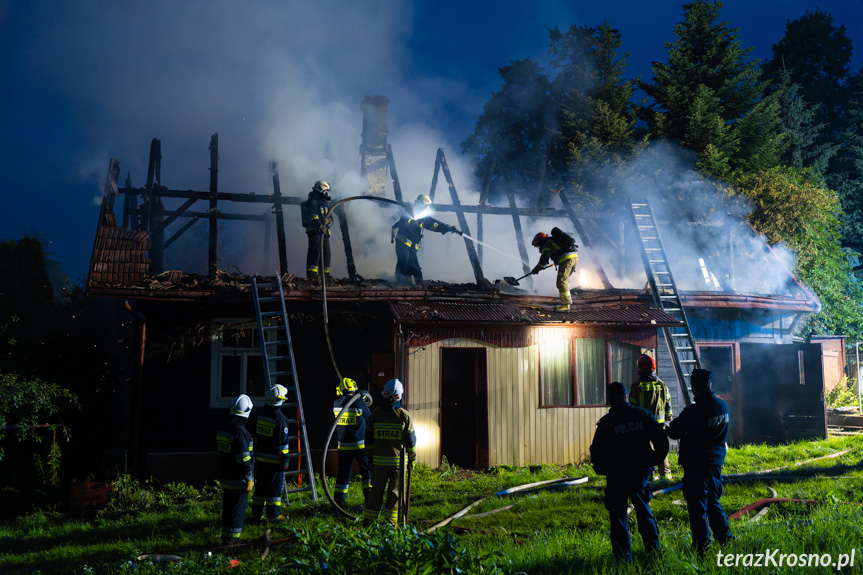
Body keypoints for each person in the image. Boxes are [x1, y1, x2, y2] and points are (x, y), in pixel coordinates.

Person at [590, 381, 669, 562]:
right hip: (640, 473)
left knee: (618, 518)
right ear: (626, 395)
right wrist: (654, 460)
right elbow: (661, 440)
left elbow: (596, 451)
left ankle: (623, 558)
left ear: (610, 398)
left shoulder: (607, 422)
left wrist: (604, 470)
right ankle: (653, 551)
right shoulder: (642, 414)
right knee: (644, 511)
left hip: (617, 476)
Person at [666, 368, 733, 555]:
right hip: (715, 464)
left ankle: (702, 547)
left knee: (697, 508)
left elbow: (674, 431)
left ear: (695, 386)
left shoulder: (694, 411)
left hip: (697, 466)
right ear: (709, 384)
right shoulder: (722, 406)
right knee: (713, 501)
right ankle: (725, 538)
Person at [363, 378, 417, 526]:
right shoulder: (404, 416)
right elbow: (411, 441)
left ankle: (368, 524)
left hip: (378, 464)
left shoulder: (375, 415)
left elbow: (367, 439)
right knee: (395, 494)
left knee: (375, 493)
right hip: (397, 465)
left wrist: (370, 457)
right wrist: (412, 458)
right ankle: (391, 525)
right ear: (399, 396)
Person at [391, 194, 461, 286]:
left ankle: (419, 285)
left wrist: (446, 228)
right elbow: (405, 223)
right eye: (424, 206)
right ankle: (398, 284)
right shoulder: (408, 211)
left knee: (416, 269)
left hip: (412, 248)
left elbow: (433, 226)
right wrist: (416, 220)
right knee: (403, 263)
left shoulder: (422, 216)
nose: (425, 208)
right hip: (402, 244)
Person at [216, 394, 255, 545]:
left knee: (228, 509)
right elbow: (244, 459)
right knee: (237, 511)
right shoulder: (241, 432)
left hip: (226, 477)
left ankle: (226, 537)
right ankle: (233, 541)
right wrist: (249, 477)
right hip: (239, 479)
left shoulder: (224, 429)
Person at [250, 384, 291, 523]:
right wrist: (285, 460)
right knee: (274, 490)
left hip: (261, 460)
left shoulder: (259, 415)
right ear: (280, 399)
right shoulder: (281, 419)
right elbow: (283, 444)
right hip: (274, 462)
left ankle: (256, 515)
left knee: (260, 488)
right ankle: (273, 516)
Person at [629, 353, 673, 479]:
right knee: (661, 450)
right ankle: (666, 476)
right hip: (659, 425)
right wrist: (668, 420)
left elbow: (631, 407)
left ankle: (650, 476)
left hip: (642, 426)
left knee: (645, 450)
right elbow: (668, 405)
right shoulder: (662, 385)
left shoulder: (636, 386)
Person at [332, 377, 372, 508]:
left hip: (343, 446)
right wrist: (363, 400)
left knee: (343, 473)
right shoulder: (359, 403)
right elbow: (369, 418)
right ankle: (369, 499)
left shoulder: (336, 403)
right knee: (366, 472)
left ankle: (338, 501)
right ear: (354, 390)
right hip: (359, 445)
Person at [530, 227, 578, 312]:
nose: (538, 248)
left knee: (561, 281)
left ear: (540, 242)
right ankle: (567, 302)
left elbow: (543, 261)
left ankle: (566, 306)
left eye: (537, 246)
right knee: (565, 280)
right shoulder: (552, 241)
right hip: (574, 257)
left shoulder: (546, 244)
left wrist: (536, 269)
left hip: (567, 259)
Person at [302, 180, 333, 283]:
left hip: (324, 234)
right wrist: (320, 225)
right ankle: (312, 276)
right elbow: (313, 216)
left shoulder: (325, 202)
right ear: (320, 190)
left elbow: (331, 218)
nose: (326, 194)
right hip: (315, 232)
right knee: (315, 253)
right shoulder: (312, 201)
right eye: (325, 191)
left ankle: (325, 276)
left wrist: (328, 221)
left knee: (327, 254)